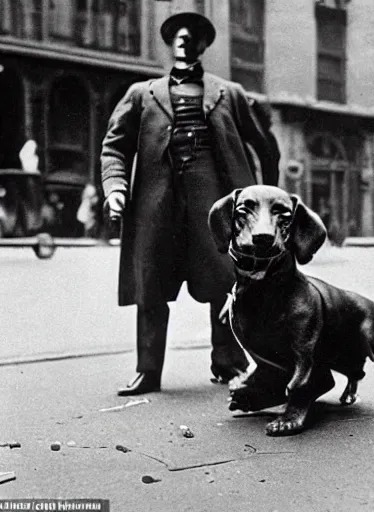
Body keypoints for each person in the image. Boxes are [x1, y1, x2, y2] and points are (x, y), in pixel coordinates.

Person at [101, 11, 280, 396]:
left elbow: (265, 146)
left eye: (193, 35)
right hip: (156, 208)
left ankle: (229, 362)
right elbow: (114, 148)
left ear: (204, 44)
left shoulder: (228, 93)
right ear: (169, 43)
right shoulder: (140, 94)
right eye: (177, 35)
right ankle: (147, 370)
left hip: (215, 206)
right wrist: (115, 188)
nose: (184, 39)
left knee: (225, 283)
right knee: (149, 285)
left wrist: (269, 199)